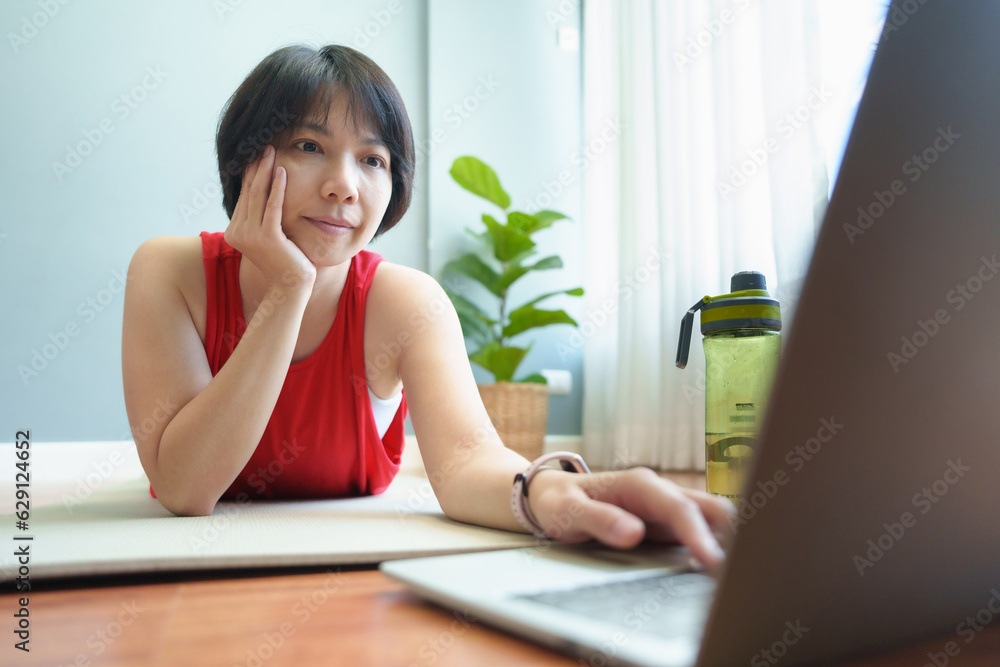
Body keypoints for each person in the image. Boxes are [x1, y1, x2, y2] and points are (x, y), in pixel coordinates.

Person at [121, 44, 734, 570]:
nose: (345, 185)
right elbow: (185, 488)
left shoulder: (405, 301)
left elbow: (468, 462)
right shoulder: (170, 271)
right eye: (309, 145)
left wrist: (547, 491)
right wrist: (289, 287)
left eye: (373, 159)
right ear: (248, 161)